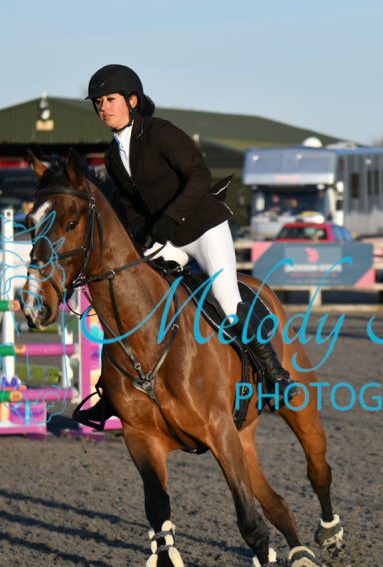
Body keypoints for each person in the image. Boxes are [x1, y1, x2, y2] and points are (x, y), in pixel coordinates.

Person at [74, 64, 295, 428]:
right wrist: (142, 237)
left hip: (203, 228)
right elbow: (131, 209)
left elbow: (199, 176)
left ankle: (274, 375)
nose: (103, 108)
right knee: (131, 298)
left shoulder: (161, 133)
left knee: (226, 299)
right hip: (168, 238)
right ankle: (110, 391)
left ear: (132, 100)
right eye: (98, 102)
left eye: (110, 99)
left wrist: (167, 220)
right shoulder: (112, 156)